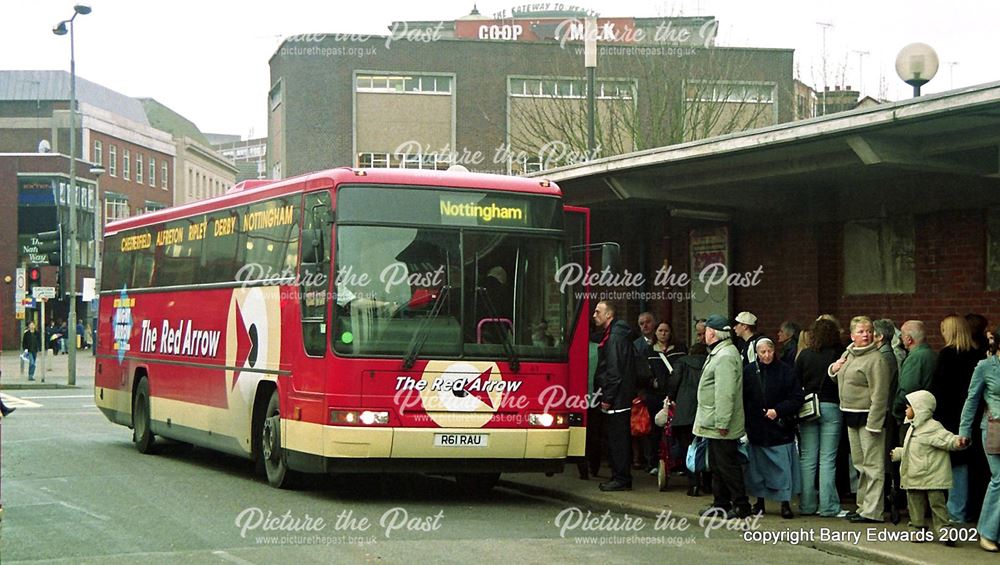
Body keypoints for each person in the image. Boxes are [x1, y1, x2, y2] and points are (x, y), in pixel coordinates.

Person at [829, 315, 891, 523]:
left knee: (873, 466)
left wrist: (875, 424)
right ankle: (863, 505)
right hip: (850, 414)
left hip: (868, 417)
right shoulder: (849, 353)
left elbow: (880, 395)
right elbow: (839, 374)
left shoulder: (876, 359)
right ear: (852, 335)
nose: (866, 335)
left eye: (869, 331)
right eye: (861, 331)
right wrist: (833, 369)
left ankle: (873, 511)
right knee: (860, 464)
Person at [891, 390, 965, 546]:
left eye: (909, 406)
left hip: (932, 476)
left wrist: (958, 442)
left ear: (920, 408)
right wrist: (899, 453)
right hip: (915, 475)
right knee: (915, 505)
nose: (905, 409)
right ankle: (917, 530)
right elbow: (910, 449)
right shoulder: (912, 427)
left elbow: (947, 439)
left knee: (937, 505)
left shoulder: (932, 428)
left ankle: (945, 532)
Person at [695, 314, 750, 519]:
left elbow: (725, 393)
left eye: (707, 330)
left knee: (726, 465)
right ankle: (721, 503)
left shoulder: (725, 356)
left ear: (712, 333)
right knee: (718, 465)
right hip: (714, 420)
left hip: (720, 422)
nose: (705, 334)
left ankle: (741, 505)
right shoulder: (722, 352)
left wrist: (723, 422)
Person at [930, 315, 984, 524]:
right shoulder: (979, 355)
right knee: (974, 465)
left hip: (950, 417)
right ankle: (972, 509)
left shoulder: (947, 356)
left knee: (955, 465)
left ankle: (955, 512)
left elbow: (938, 389)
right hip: (975, 415)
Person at [742, 338, 803, 519]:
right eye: (763, 352)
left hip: (780, 429)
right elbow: (744, 399)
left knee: (782, 469)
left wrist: (778, 411)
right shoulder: (749, 372)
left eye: (769, 351)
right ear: (757, 353)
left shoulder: (786, 371)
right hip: (757, 428)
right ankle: (759, 502)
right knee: (758, 470)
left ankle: (784, 503)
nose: (767, 355)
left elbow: (796, 397)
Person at [797, 318, 846, 517]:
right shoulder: (838, 354)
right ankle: (828, 506)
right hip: (831, 405)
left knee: (807, 458)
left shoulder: (805, 355)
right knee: (827, 459)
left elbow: (795, 381)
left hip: (808, 407)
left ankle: (807, 505)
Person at [959, 326, 1000, 552]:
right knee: (999, 479)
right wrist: (964, 431)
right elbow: (971, 400)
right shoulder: (985, 367)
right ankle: (987, 532)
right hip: (994, 429)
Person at [592, 300, 636, 492]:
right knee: (618, 438)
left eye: (598, 311)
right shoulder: (616, 334)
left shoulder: (615, 338)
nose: (594, 315)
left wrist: (607, 398)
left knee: (618, 439)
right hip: (620, 395)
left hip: (617, 398)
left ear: (608, 315)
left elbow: (614, 371)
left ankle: (621, 478)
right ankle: (619, 476)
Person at [666, 341, 708, 496]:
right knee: (707, 447)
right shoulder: (710, 362)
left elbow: (673, 383)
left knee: (688, 448)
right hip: (705, 412)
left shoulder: (681, 362)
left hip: (685, 412)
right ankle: (708, 483)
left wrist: (671, 397)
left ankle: (694, 484)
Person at [645, 322, 686, 475]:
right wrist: (652, 382)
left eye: (666, 330)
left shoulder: (679, 351)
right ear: (655, 333)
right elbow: (643, 372)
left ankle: (677, 463)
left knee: (676, 429)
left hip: (675, 395)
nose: (663, 333)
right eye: (660, 330)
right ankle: (653, 462)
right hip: (655, 396)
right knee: (655, 430)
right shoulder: (649, 351)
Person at [874, 318, 903, 524]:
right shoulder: (887, 356)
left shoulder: (884, 358)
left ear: (880, 337)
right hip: (888, 411)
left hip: (885, 413)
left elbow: (881, 388)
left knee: (884, 458)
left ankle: (889, 500)